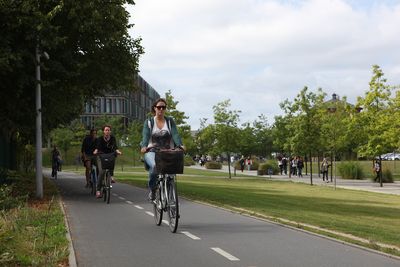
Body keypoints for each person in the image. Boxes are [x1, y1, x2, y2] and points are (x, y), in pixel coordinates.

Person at [140, 98, 184, 200]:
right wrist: (144, 147)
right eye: (159, 107)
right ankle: (153, 190)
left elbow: (175, 134)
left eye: (163, 107)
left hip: (168, 151)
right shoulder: (149, 122)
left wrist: (180, 145)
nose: (161, 109)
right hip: (152, 151)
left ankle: (169, 192)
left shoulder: (169, 121)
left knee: (171, 172)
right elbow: (145, 136)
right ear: (155, 108)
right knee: (155, 166)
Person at [93, 125, 122, 198]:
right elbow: (97, 147)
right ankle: (98, 190)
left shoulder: (112, 138)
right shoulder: (100, 139)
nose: (107, 131)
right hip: (101, 156)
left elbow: (115, 147)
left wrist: (118, 152)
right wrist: (96, 151)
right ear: (103, 131)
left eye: (108, 130)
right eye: (106, 130)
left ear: (110, 131)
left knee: (112, 161)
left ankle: (111, 176)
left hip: (110, 155)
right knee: (102, 172)